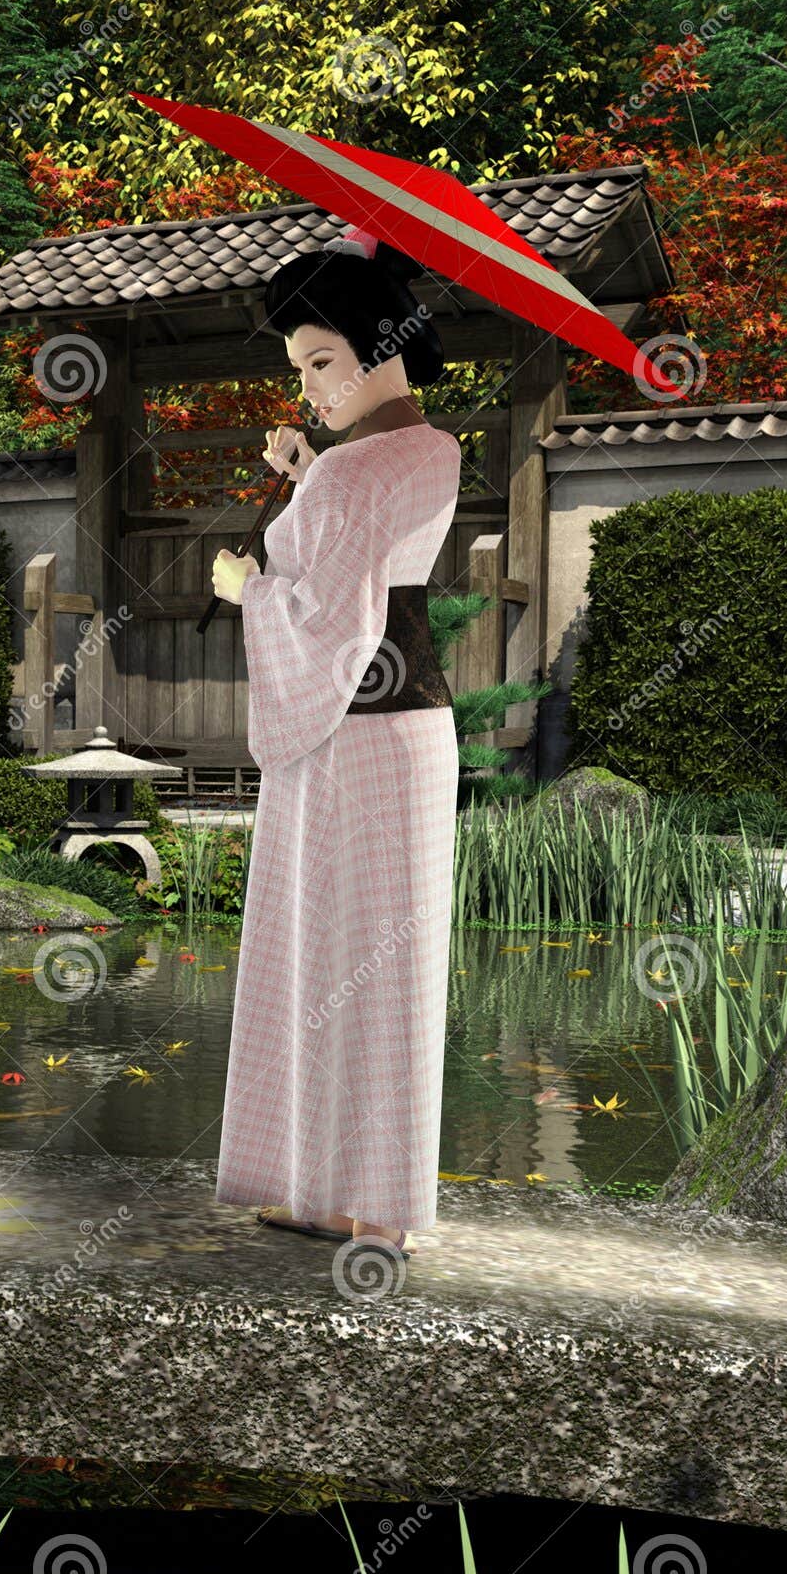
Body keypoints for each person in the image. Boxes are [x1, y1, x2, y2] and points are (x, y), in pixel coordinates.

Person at [210, 223, 462, 1261]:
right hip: (399, 726)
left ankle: (355, 1202)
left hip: (350, 725)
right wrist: (311, 466)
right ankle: (343, 1192)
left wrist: (246, 589)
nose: (309, 384)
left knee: (337, 953)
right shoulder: (426, 448)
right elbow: (365, 545)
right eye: (301, 368)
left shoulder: (355, 473)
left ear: (376, 343)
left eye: (320, 361)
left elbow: (329, 616)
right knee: (362, 958)